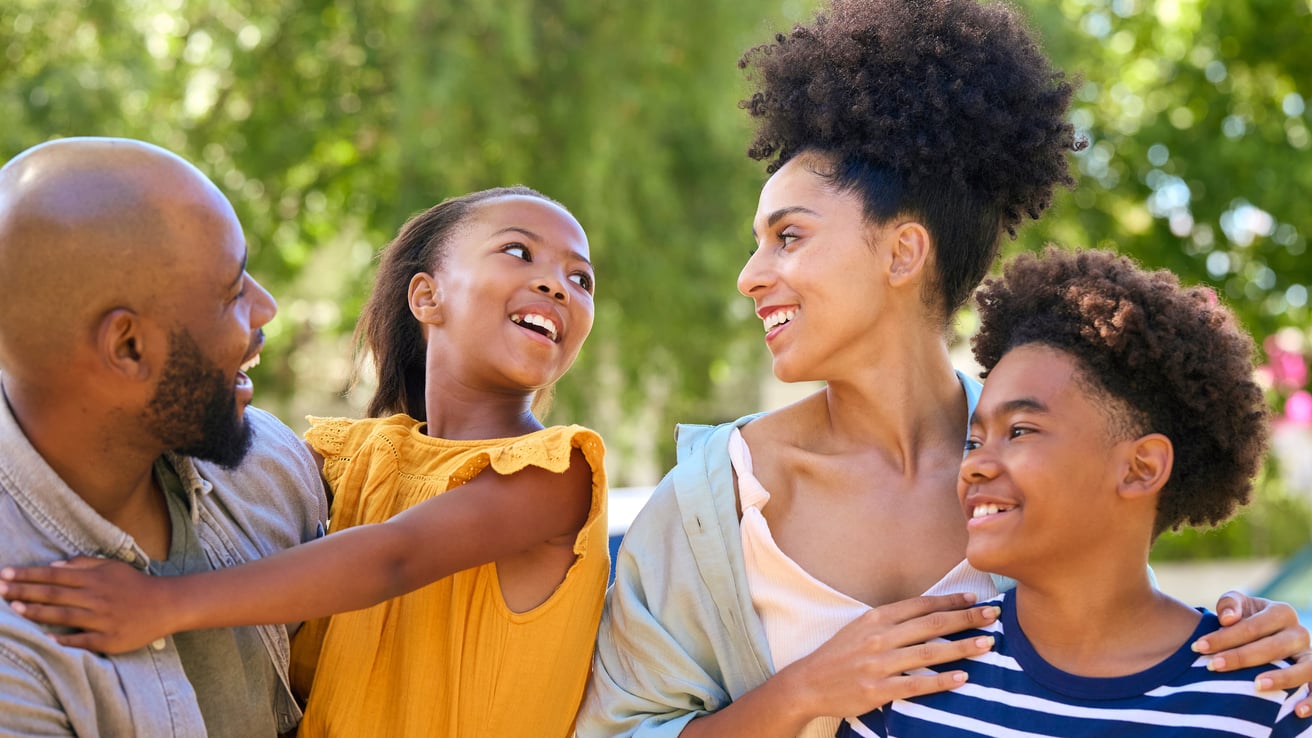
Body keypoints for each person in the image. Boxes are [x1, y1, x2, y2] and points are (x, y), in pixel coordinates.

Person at [578, 1, 1312, 737]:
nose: (751, 276)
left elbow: (1131, 650)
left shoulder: (1046, 463)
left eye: (788, 237)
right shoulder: (716, 503)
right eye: (757, 243)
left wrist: (1270, 641)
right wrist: (806, 692)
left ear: (902, 253)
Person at [0, 185, 609, 738]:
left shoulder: (555, 473)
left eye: (580, 279)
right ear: (427, 296)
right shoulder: (349, 461)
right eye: (519, 253)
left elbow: (393, 557)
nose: (557, 284)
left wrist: (161, 604)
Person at [839, 247, 1312, 737]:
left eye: (1020, 430)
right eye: (974, 440)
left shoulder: (1264, 697)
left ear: (1140, 468)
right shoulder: (915, 682)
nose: (974, 464)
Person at [0, 137, 330, 737]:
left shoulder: (271, 468)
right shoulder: (14, 649)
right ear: (128, 347)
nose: (266, 308)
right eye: (233, 294)